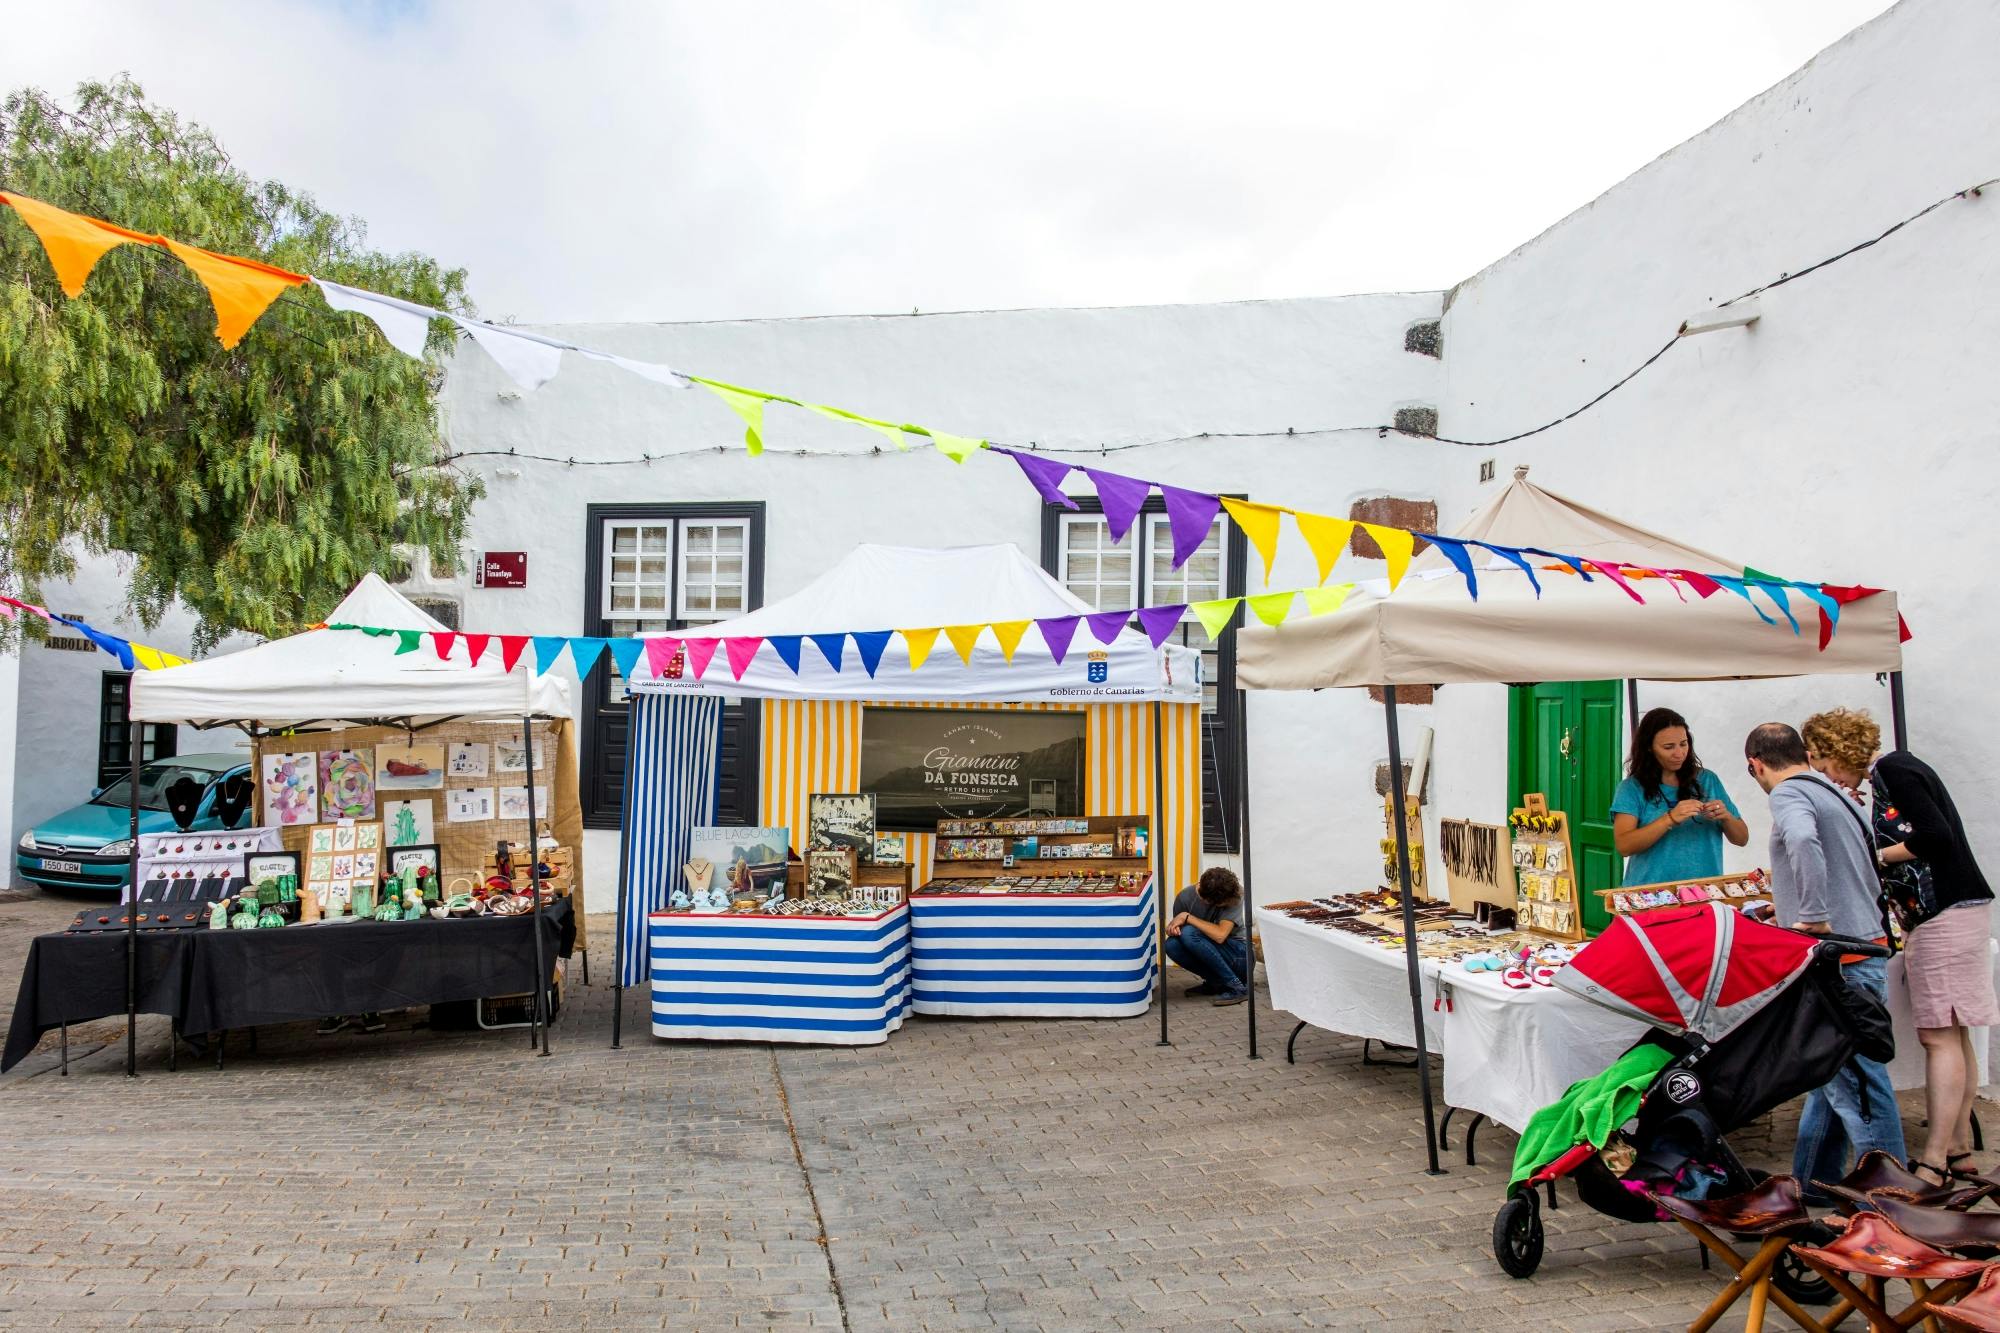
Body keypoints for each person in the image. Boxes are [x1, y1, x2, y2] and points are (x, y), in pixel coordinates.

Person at [1803, 707, 1998, 1186]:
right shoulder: (1894, 771)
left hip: (1944, 913)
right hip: (1959, 910)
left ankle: (1932, 1160)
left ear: (1836, 751)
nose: (1825, 775)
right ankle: (1956, 1149)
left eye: (1823, 763)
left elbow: (1935, 836)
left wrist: (1871, 857)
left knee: (1938, 1035)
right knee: (1953, 1033)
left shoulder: (1894, 769)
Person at [1745, 721, 1907, 1191]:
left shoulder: (1789, 793)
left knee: (1858, 1086)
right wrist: (1791, 900)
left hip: (1841, 961)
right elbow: (1855, 863)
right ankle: (1814, 1181)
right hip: (1864, 947)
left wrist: (1812, 913)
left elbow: (1801, 840)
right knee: (1831, 1074)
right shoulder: (1834, 792)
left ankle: (1891, 1196)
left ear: (1756, 764)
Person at [1611, 707, 1749, 885]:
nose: (1679, 753)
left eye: (1684, 744)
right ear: (1649, 748)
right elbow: (1624, 846)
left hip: (1704, 893)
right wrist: (1669, 819)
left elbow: (1742, 838)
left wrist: (1727, 817)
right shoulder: (1631, 788)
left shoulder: (1707, 780)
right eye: (1668, 747)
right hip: (1650, 896)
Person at [1165, 867, 1249, 1006]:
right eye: (1225, 903)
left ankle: (1237, 987)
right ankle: (1216, 983)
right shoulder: (1184, 898)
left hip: (1241, 957)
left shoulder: (1234, 892)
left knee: (1189, 932)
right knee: (1171, 944)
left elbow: (1220, 935)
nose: (1230, 903)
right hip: (1216, 958)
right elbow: (1179, 934)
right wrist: (1173, 929)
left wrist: (1188, 917)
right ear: (1207, 901)